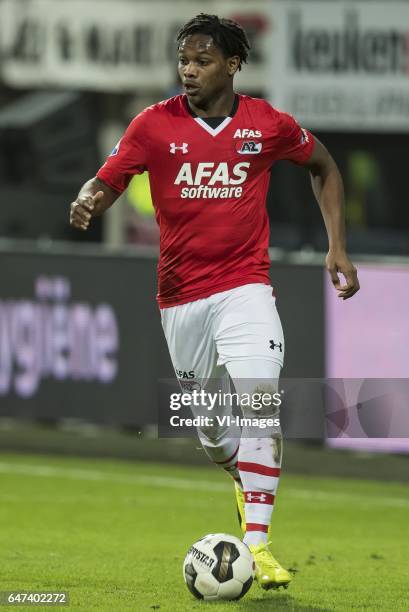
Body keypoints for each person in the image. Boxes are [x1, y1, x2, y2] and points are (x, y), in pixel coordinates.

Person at [70, 13, 360, 592]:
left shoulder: (265, 124)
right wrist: (89, 196)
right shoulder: (154, 125)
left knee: (258, 404)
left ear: (231, 65)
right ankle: (238, 473)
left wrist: (337, 247)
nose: (189, 70)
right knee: (211, 430)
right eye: (184, 60)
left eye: (201, 60)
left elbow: (323, 165)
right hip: (181, 300)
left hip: (246, 286)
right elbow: (110, 179)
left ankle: (257, 546)